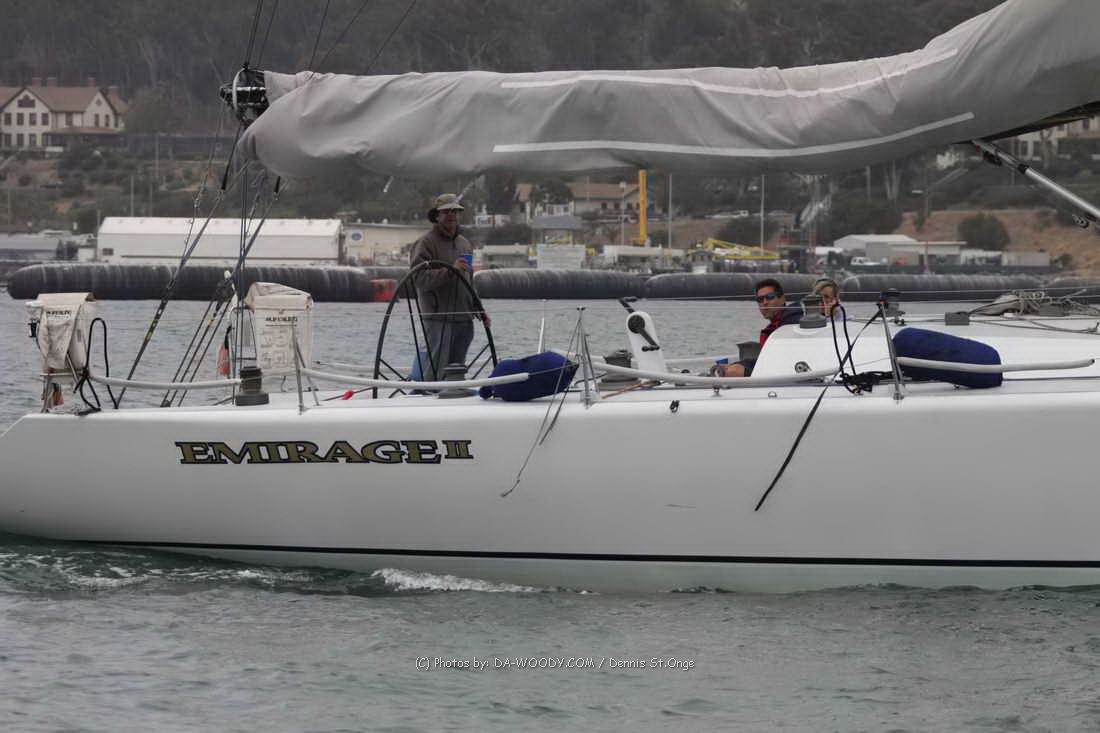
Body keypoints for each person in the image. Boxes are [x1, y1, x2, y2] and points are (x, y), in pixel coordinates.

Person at [409, 193, 490, 381]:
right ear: (437, 215)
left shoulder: (464, 244)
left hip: (464, 317)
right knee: (434, 367)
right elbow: (418, 279)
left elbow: (469, 281)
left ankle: (454, 392)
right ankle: (425, 393)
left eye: (455, 211)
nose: (451, 214)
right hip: (438, 317)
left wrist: (479, 309)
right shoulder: (425, 243)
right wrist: (451, 271)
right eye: (446, 211)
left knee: (457, 369)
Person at [713, 278, 801, 377]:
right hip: (772, 370)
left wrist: (737, 368)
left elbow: (780, 361)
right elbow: (767, 360)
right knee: (729, 369)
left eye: (770, 297)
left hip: (785, 373)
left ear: (782, 299)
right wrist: (737, 364)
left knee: (732, 372)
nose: (765, 302)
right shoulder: (774, 326)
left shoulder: (794, 322)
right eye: (760, 299)